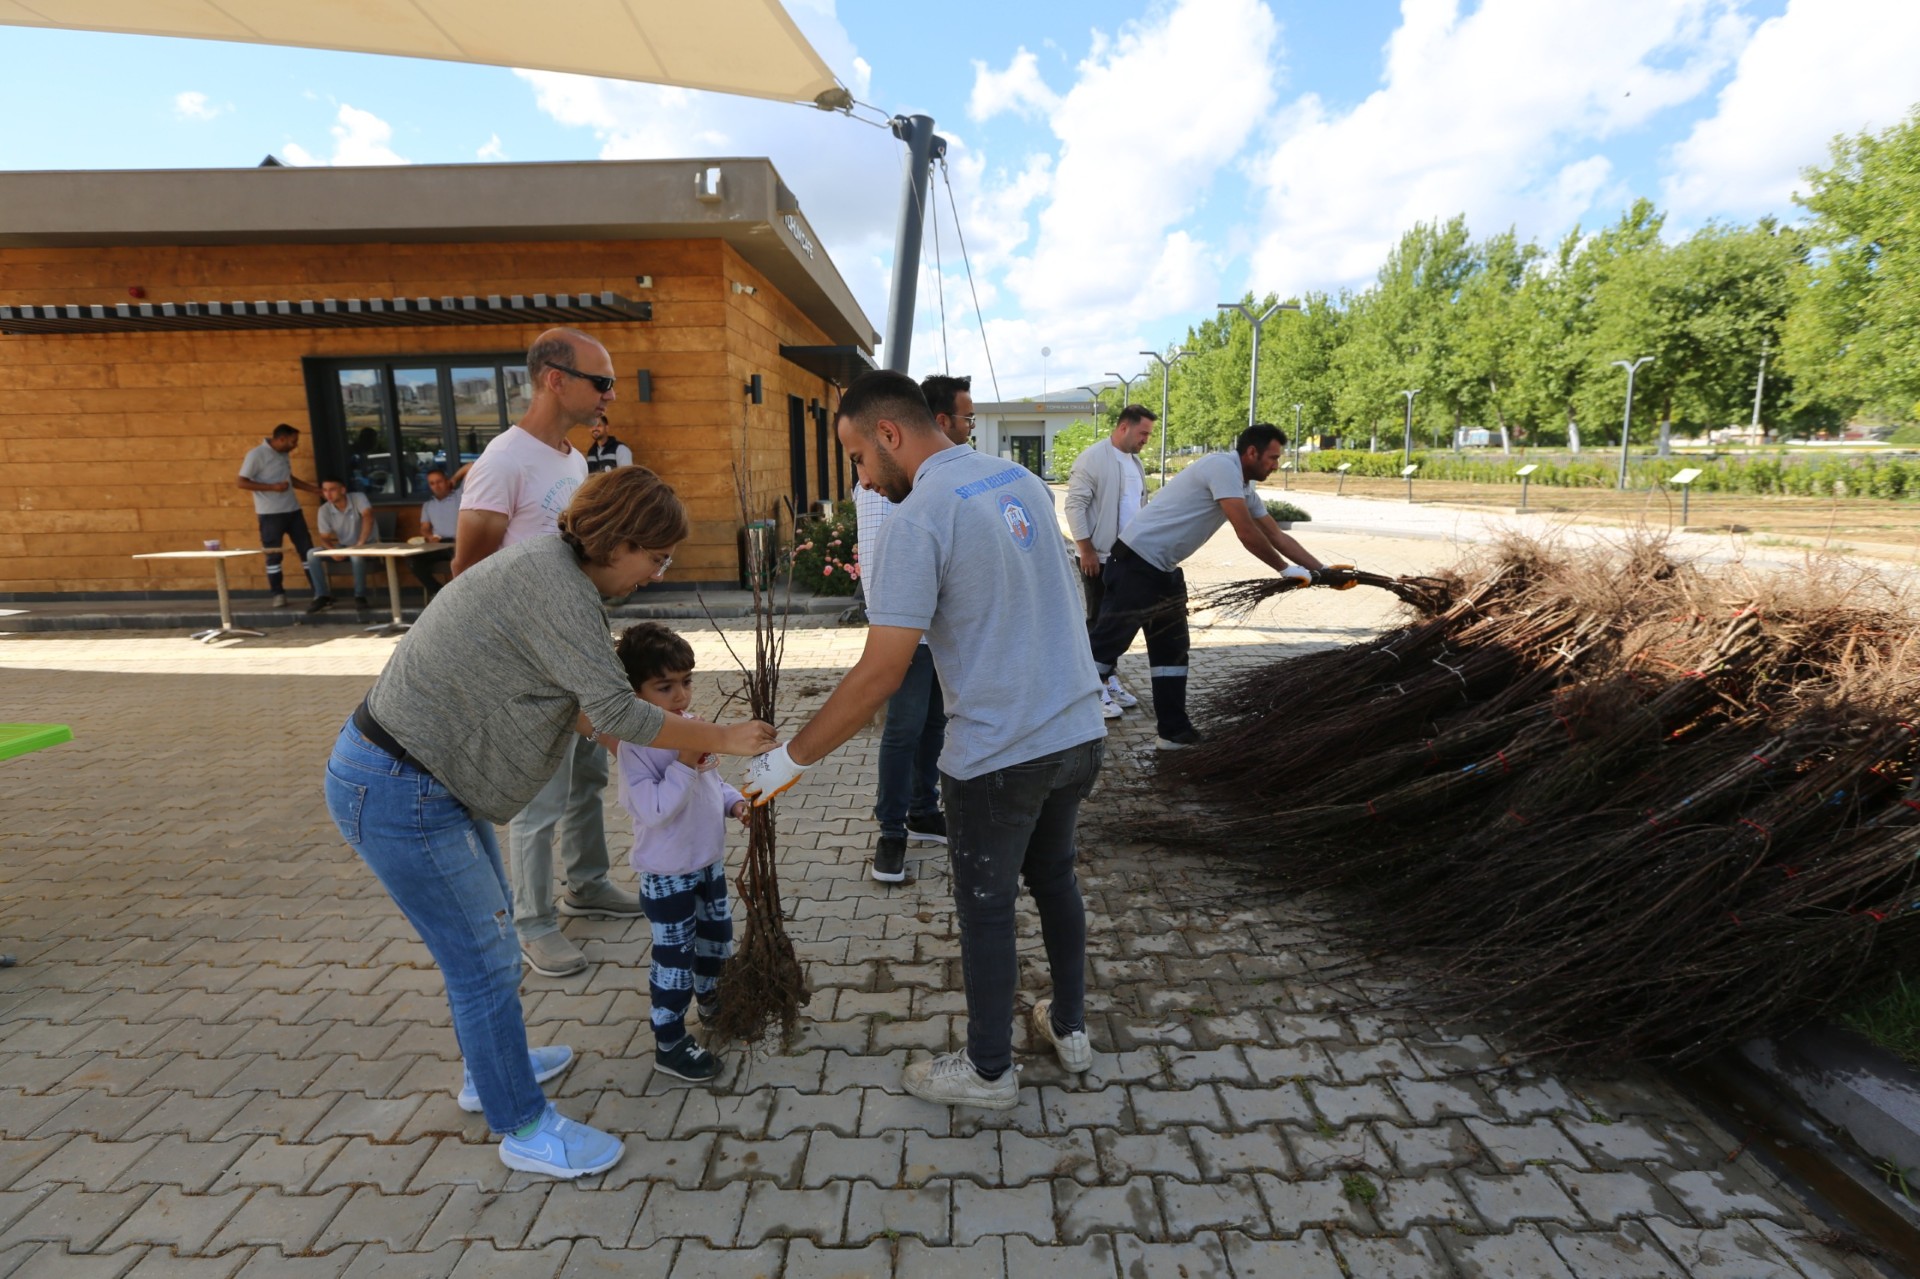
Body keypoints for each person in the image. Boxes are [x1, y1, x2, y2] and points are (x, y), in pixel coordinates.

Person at [323, 467, 775, 1178]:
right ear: (618, 540)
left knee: (485, 945)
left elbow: (586, 703)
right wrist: (721, 738)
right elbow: (622, 712)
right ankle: (523, 1123)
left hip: (424, 781)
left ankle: (489, 1066)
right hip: (400, 787)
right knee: (485, 959)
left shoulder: (556, 573)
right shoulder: (559, 588)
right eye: (654, 557)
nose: (656, 573)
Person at [743, 370, 1105, 1110]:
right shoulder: (1019, 480)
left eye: (854, 458)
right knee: (1056, 879)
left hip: (1000, 754)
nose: (862, 481)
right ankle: (1070, 1030)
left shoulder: (921, 516)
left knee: (987, 905)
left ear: (888, 434)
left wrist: (787, 760)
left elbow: (881, 672)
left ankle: (989, 1070)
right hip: (1077, 729)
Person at [455, 327, 634, 980]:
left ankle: (587, 882)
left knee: (587, 775)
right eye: (601, 381)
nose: (609, 393)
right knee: (540, 796)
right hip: (526, 664)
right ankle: (532, 922)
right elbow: (468, 575)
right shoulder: (504, 462)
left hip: (575, 647)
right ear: (554, 379)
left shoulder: (571, 460)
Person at [1087, 423, 1352, 750]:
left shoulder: (1243, 487)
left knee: (1172, 652)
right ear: (1251, 452)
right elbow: (1246, 532)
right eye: (1272, 457)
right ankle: (1059, 722)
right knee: (1104, 650)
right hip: (1135, 565)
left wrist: (1323, 572)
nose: (1276, 464)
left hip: (1163, 571)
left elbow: (1276, 534)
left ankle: (1173, 733)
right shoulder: (1221, 467)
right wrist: (1285, 569)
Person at [611, 622, 748, 1084]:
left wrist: (734, 803)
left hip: (707, 862)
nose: (680, 696)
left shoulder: (691, 729)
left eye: (686, 682)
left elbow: (712, 780)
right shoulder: (637, 746)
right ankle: (668, 1041)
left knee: (717, 940)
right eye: (664, 687)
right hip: (667, 873)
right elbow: (654, 810)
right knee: (675, 957)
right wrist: (686, 762)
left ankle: (713, 1004)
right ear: (634, 692)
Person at [853, 372, 975, 884]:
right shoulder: (893, 481)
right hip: (903, 631)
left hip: (936, 630)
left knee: (933, 724)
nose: (970, 425)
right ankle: (891, 832)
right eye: (966, 416)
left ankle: (925, 811)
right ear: (938, 419)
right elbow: (885, 561)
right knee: (902, 731)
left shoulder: (938, 482)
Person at [1064, 404, 1155, 718]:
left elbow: (1139, 507)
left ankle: (1107, 677)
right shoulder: (1093, 458)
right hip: (1097, 558)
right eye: (1143, 433)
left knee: (1118, 623)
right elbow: (1074, 506)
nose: (1146, 440)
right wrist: (1086, 550)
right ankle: (1092, 690)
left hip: (1126, 559)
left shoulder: (1135, 463)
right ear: (1123, 427)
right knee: (1099, 622)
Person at [236, 423, 322, 608]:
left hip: (293, 510)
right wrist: (272, 488)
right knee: (273, 554)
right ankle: (278, 594)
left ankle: (319, 592)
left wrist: (314, 489)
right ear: (281, 439)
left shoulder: (283, 454)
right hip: (270, 513)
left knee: (307, 551)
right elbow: (241, 482)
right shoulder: (256, 455)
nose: (295, 445)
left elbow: (288, 479)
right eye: (293, 441)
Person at [305, 479, 375, 614]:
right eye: (325, 490)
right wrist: (333, 551)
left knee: (356, 556)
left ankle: (359, 596)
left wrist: (360, 543)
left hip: (368, 544)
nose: (328, 494)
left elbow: (368, 517)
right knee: (312, 554)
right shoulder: (324, 509)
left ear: (343, 490)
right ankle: (322, 595)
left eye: (332, 489)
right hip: (344, 546)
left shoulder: (358, 498)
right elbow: (324, 538)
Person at [410, 464, 462, 599]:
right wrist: (429, 536)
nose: (436, 486)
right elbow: (424, 528)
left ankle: (461, 596)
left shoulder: (459, 496)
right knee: (413, 560)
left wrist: (455, 479)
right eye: (432, 483)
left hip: (459, 542)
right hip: (439, 543)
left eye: (439, 482)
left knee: (459, 562)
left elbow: (471, 466)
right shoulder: (428, 505)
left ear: (446, 481)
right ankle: (440, 594)